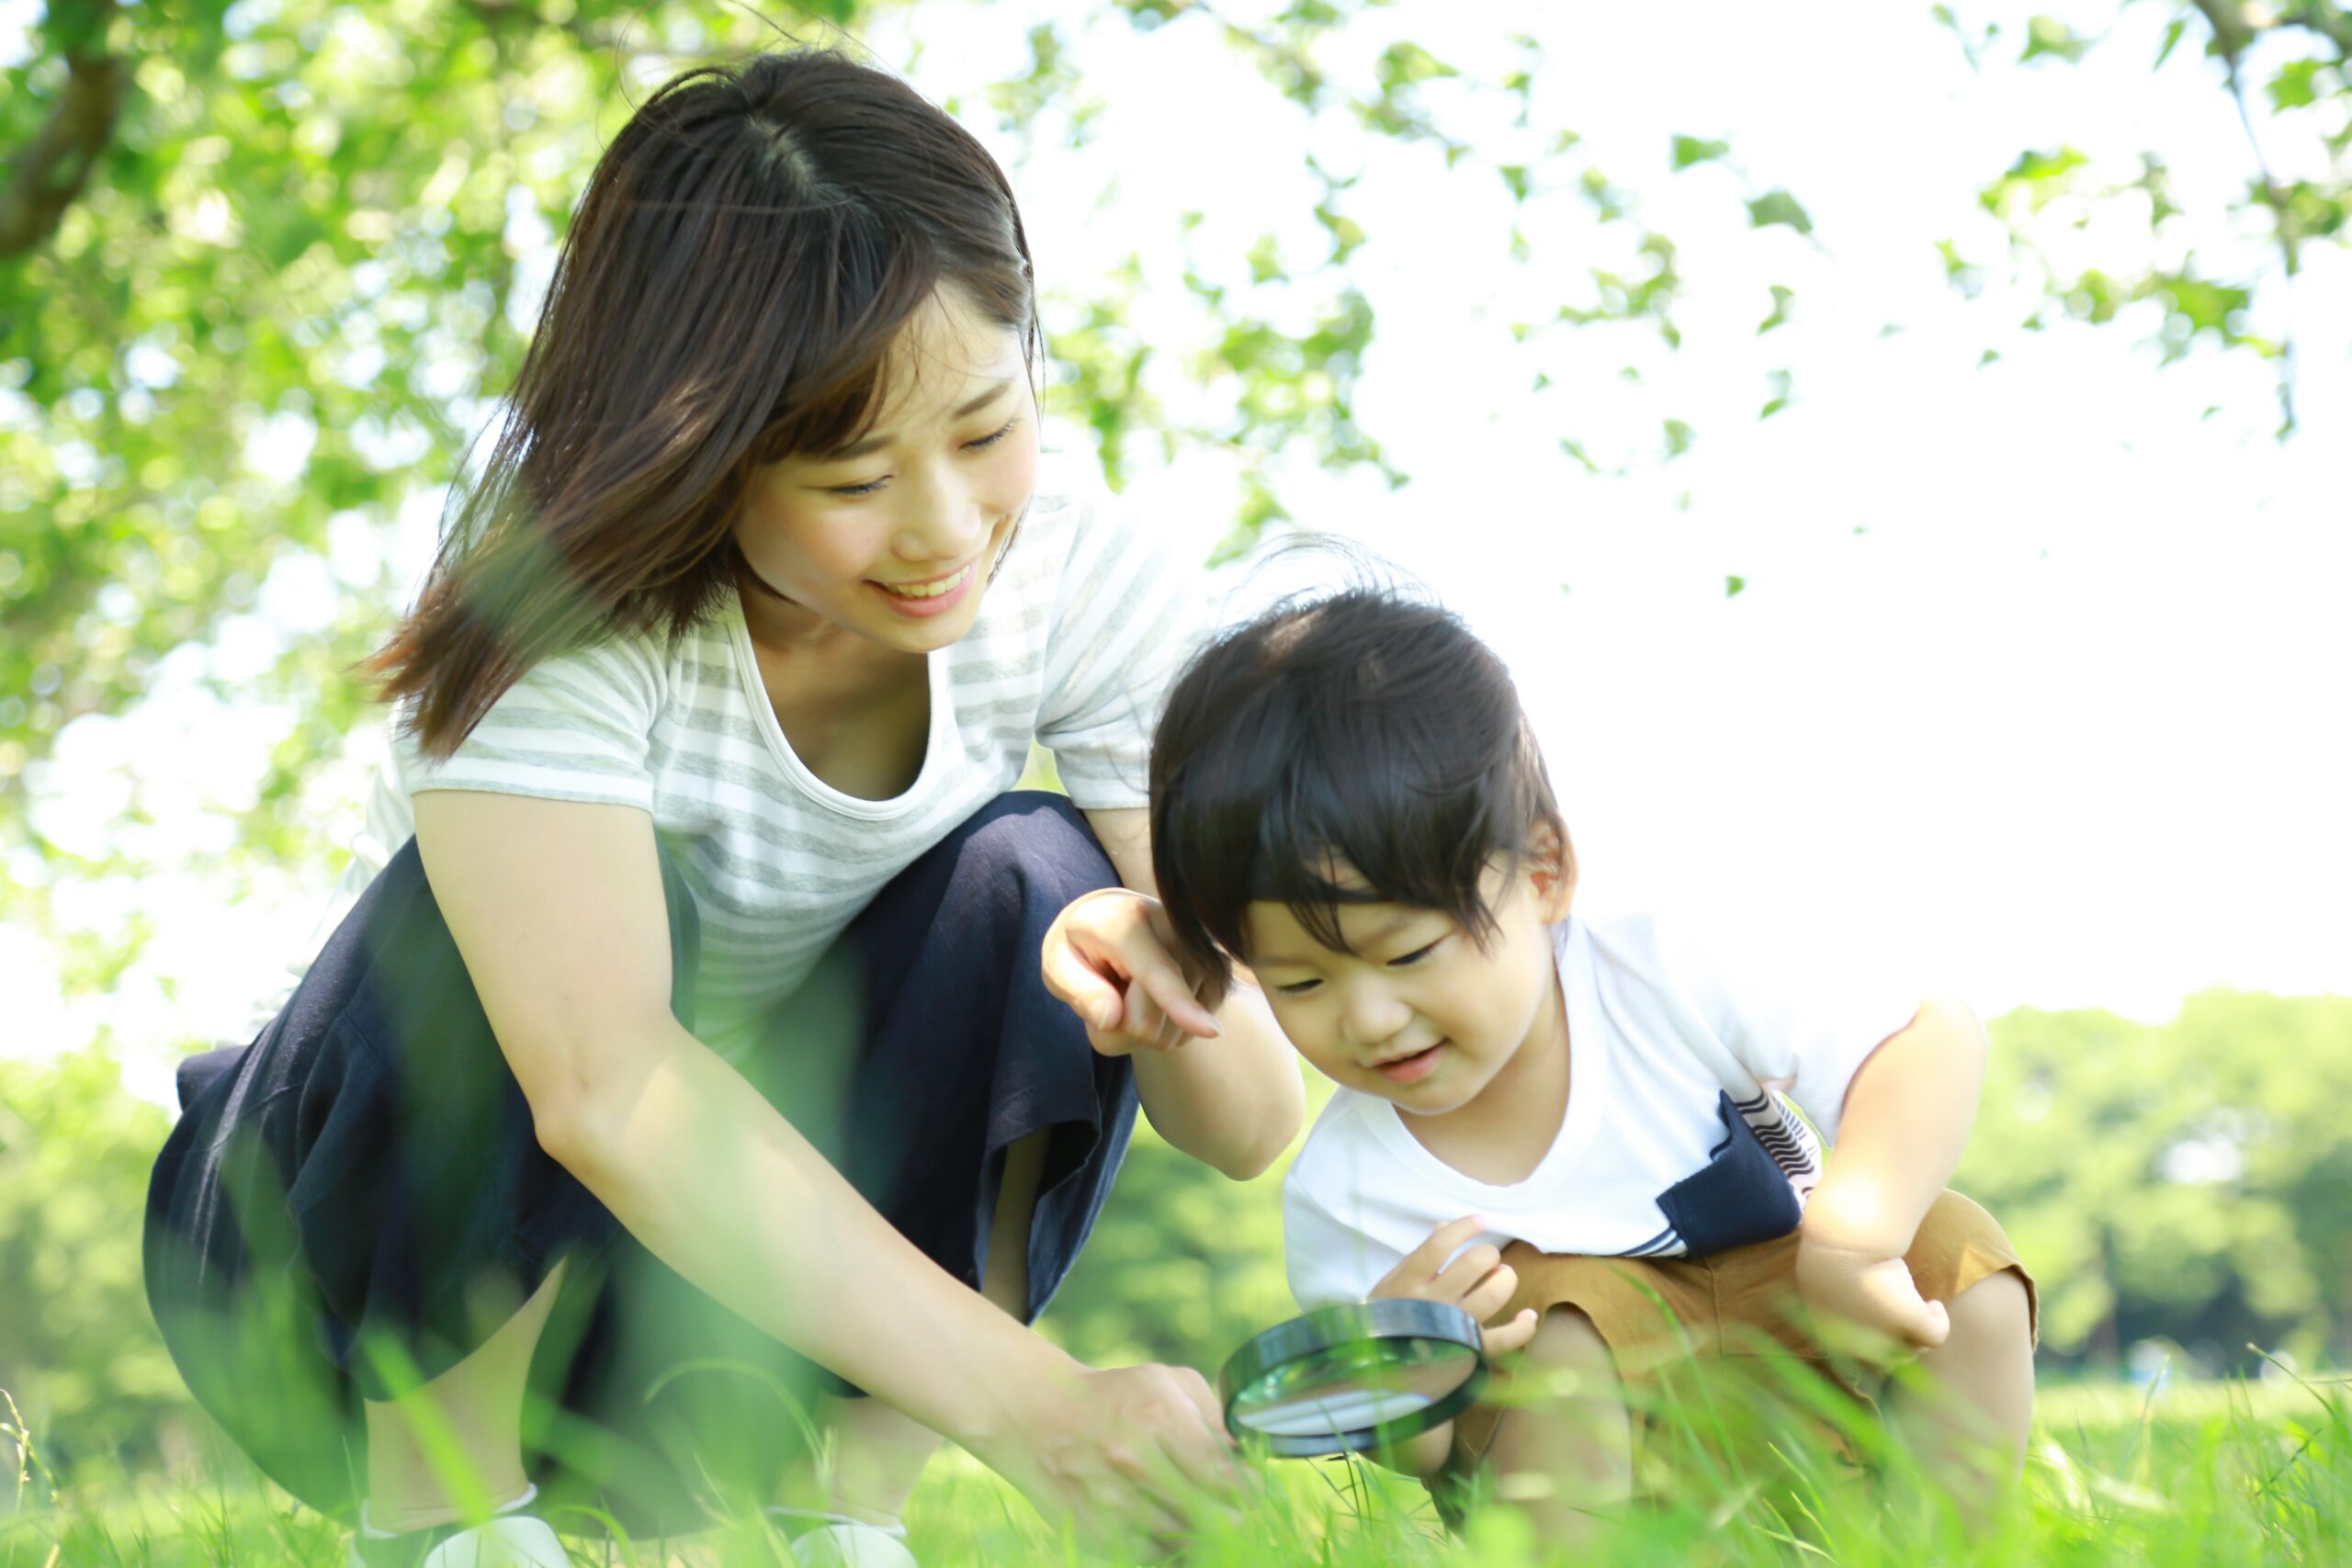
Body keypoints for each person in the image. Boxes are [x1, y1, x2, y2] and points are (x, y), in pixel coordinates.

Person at [142, 49, 1303, 1568]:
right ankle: (450, 1525)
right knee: (564, 925)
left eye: (982, 429)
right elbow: (604, 1086)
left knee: (1043, 872)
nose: (945, 529)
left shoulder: (1086, 582)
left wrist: (1154, 981)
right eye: (848, 473)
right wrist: (1047, 1410)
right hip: (321, 1304)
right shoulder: (551, 607)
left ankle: (842, 1517)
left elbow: (1257, 1120)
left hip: (714, 1329)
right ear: (692, 443)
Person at [1142, 585, 2037, 1540]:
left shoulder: (1662, 971)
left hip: (1805, 1379)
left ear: (1541, 872)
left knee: (1954, 1249)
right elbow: (1415, 1461)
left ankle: (1945, 1547)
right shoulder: (1349, 1186)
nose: (1367, 1018)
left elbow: (1926, 1033)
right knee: (1558, 1327)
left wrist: (1855, 1236)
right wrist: (1404, 1373)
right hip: (1597, 1485)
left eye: (1405, 954)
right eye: (1300, 984)